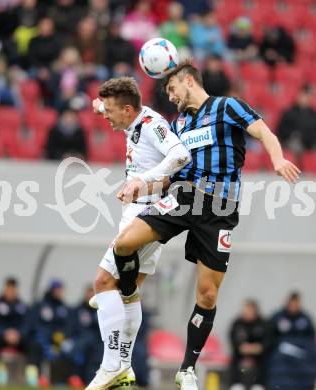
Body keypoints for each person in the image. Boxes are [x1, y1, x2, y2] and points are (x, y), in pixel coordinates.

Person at [111, 60, 300, 390]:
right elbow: (171, 173)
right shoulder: (179, 124)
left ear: (187, 81)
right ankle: (128, 296)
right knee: (124, 244)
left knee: (208, 294)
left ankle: (187, 369)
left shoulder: (227, 107)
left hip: (220, 209)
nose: (170, 97)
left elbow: (263, 131)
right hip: (184, 196)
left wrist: (278, 158)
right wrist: (140, 185)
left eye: (172, 89)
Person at [85, 76, 191, 390]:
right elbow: (107, 108)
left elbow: (180, 156)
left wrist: (142, 181)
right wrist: (99, 105)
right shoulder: (131, 119)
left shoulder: (152, 125)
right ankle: (125, 368)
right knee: (129, 291)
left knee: (103, 283)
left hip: (148, 214)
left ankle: (111, 365)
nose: (106, 116)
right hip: (139, 211)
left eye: (111, 112)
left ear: (129, 109)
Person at [266, 291, 316, 390]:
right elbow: (270, 338)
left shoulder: (305, 318)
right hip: (281, 360)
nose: (294, 306)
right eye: (292, 303)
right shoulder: (277, 318)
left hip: (301, 361)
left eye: (296, 303)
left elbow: (310, 341)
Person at [0, 277, 28, 385]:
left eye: (13, 289)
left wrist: (18, 333)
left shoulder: (22, 306)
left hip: (18, 338)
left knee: (32, 345)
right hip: (2, 337)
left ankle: (27, 374)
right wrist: (5, 333)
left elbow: (27, 324)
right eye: (9, 289)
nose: (11, 292)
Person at [229, 300, 266, 390]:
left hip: (258, 370)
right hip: (238, 370)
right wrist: (249, 348)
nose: (246, 313)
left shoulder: (263, 324)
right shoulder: (237, 324)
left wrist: (254, 348)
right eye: (245, 310)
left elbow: (265, 345)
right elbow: (235, 344)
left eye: (250, 310)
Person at [277, 85, 316, 153]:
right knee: (293, 146)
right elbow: (281, 130)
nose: (304, 98)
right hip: (289, 143)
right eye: (303, 95)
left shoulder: (313, 115)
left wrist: (304, 138)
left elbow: (313, 134)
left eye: (307, 96)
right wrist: (292, 135)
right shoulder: (289, 112)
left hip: (307, 145)